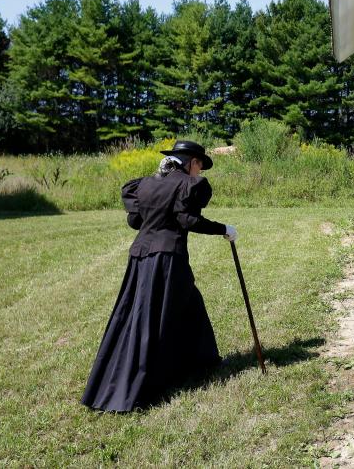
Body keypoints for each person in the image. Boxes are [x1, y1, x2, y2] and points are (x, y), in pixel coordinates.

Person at [81, 140, 237, 412]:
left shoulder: (145, 184)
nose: (200, 171)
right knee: (153, 319)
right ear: (190, 161)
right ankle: (138, 389)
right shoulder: (188, 185)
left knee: (189, 306)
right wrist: (223, 228)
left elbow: (135, 221)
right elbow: (187, 220)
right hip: (167, 258)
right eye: (199, 164)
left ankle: (202, 362)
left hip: (141, 256)